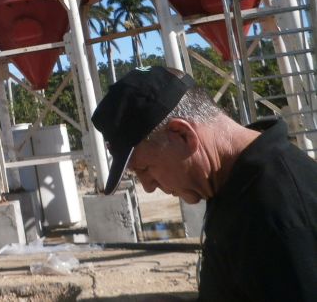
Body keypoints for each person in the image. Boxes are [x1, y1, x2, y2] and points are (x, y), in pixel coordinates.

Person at [92, 65, 317, 301]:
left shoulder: (280, 212)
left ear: (182, 134)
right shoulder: (232, 185)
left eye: (145, 169)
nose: (148, 186)